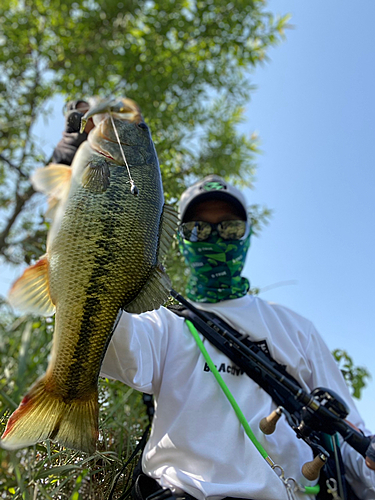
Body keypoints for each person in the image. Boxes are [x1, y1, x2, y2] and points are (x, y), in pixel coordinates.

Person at [52, 101, 375, 500]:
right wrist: (72, 199)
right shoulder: (162, 323)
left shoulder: (295, 329)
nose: (216, 237)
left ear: (247, 235)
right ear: (179, 238)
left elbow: (353, 439)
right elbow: (103, 328)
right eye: (199, 230)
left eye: (230, 227)